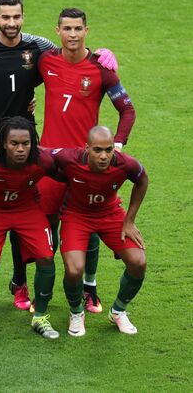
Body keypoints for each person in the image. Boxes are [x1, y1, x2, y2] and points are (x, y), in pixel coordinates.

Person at [0, 0, 119, 311]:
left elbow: (71, 51)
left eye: (16, 17)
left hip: (26, 144)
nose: (11, 23)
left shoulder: (39, 49)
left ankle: (22, 281)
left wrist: (102, 54)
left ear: (23, 17)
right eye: (5, 17)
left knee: (25, 213)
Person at [38, 8, 136, 313]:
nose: (72, 34)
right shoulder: (46, 60)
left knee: (89, 222)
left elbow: (127, 110)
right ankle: (36, 286)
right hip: (52, 163)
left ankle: (89, 288)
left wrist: (117, 145)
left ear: (86, 31)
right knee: (47, 223)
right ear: (57, 31)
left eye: (78, 29)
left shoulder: (102, 69)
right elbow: (17, 45)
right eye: (66, 29)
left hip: (87, 163)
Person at [51, 126, 148, 336]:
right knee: (74, 269)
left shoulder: (124, 163)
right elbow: (37, 153)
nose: (104, 156)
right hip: (76, 216)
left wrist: (129, 221)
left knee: (138, 262)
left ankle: (118, 311)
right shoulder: (69, 157)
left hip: (110, 214)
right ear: (86, 148)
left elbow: (142, 180)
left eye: (108, 149)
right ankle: (76, 312)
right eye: (97, 150)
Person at [0, 117, 59, 341]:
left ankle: (40, 317)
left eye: (26, 143)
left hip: (27, 208)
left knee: (46, 257)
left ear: (33, 144)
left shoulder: (44, 160)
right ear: (2, 144)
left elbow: (73, 163)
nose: (20, 149)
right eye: (14, 144)